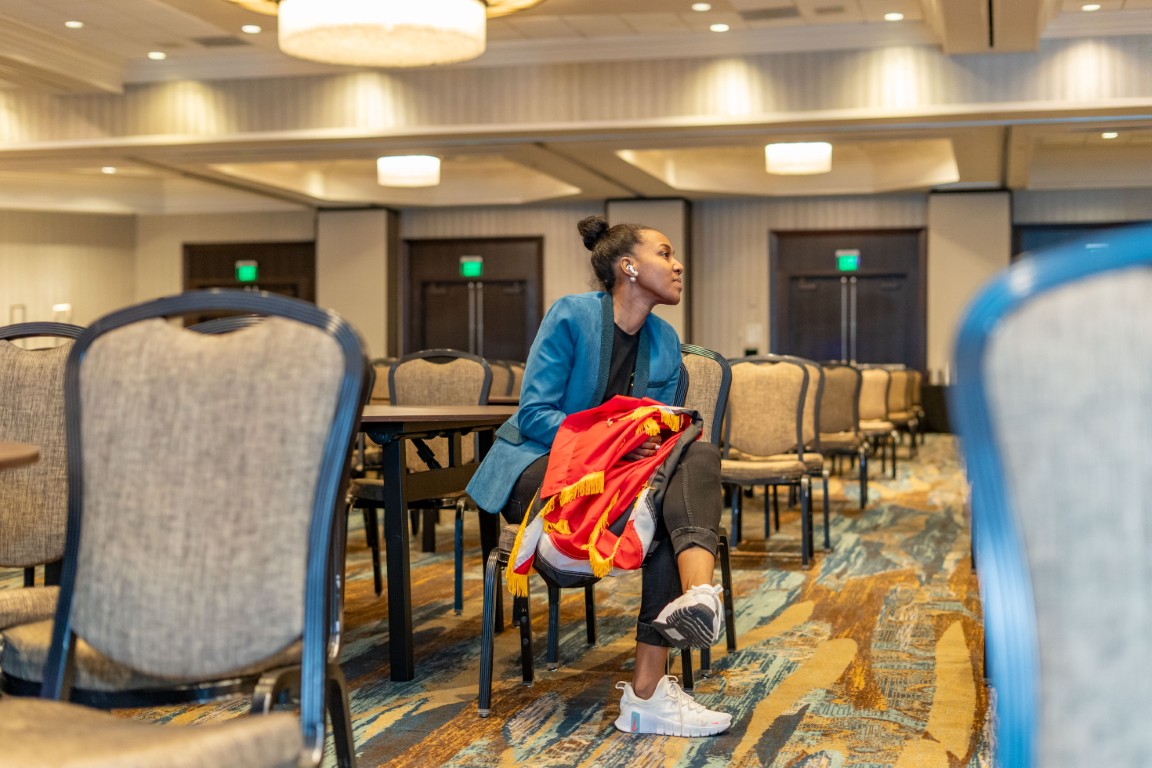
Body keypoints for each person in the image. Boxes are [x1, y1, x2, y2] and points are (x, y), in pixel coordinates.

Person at [466, 215, 731, 737]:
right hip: (541, 463)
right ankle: (648, 691)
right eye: (665, 254)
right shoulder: (571, 315)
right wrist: (614, 439)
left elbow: (656, 426)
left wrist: (649, 438)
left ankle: (696, 601)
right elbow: (535, 413)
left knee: (696, 455)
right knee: (664, 510)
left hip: (623, 481)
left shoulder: (664, 337)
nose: (678, 265)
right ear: (628, 266)